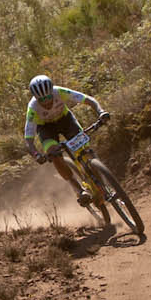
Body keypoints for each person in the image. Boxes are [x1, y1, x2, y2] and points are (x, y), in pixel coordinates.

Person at [23, 75, 110, 209]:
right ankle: (79, 190)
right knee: (54, 154)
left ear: (52, 91)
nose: (46, 102)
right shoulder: (32, 108)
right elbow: (28, 139)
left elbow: (88, 100)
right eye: (42, 99)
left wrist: (101, 111)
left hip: (66, 121)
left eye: (48, 97)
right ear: (36, 98)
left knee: (85, 151)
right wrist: (36, 154)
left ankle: (99, 183)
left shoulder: (59, 92)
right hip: (46, 129)